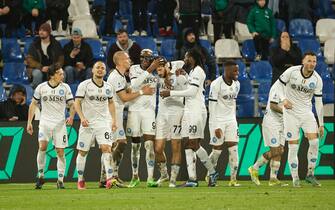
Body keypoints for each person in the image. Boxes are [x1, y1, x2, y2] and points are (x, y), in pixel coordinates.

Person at [160, 48, 219, 187]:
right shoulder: (192, 72)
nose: (185, 59)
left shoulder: (199, 71)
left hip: (196, 111)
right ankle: (192, 179)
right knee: (187, 144)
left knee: (193, 143)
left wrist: (171, 93)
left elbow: (192, 92)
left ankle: (212, 172)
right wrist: (184, 75)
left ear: (193, 57)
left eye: (187, 56)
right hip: (188, 110)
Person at [98, 51, 155, 188]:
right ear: (120, 61)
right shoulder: (116, 77)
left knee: (119, 144)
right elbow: (123, 98)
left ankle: (109, 175)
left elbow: (125, 91)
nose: (130, 60)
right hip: (111, 115)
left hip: (116, 113)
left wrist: (134, 88)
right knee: (112, 145)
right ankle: (109, 176)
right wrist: (142, 92)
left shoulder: (121, 76)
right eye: (127, 58)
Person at [278, 52, 324, 187]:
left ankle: (310, 174)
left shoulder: (317, 79)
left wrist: (321, 123)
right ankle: (295, 179)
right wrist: (283, 100)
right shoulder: (292, 72)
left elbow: (319, 102)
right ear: (303, 61)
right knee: (293, 147)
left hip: (306, 113)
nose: (312, 64)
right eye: (309, 61)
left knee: (315, 142)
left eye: (314, 61)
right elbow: (278, 86)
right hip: (290, 113)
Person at [26, 65, 75, 189]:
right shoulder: (41, 87)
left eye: (63, 74)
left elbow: (72, 104)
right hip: (45, 122)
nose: (62, 76)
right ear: (52, 75)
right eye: (60, 73)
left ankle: (60, 179)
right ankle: (41, 176)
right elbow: (33, 104)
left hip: (60, 124)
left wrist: (71, 116)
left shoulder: (65, 87)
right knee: (42, 146)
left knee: (60, 152)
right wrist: (29, 122)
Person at [74, 61, 117, 190]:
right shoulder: (85, 85)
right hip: (87, 123)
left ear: (105, 71)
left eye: (102, 68)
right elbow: (77, 103)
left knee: (106, 148)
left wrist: (113, 120)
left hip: (103, 123)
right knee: (83, 152)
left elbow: (111, 103)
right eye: (97, 67)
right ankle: (80, 180)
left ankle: (110, 179)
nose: (100, 70)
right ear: (92, 70)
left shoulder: (108, 87)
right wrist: (82, 118)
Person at [126, 49, 161, 188]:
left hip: (149, 112)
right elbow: (134, 85)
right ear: (140, 59)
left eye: (149, 58)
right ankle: (135, 176)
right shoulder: (134, 69)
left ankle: (150, 178)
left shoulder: (157, 72)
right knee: (135, 146)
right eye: (144, 58)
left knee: (149, 145)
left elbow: (168, 79)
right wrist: (150, 69)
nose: (146, 60)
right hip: (134, 110)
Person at [155, 59, 188, 187]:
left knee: (176, 146)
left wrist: (171, 71)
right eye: (157, 70)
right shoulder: (158, 79)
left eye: (160, 69)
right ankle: (164, 175)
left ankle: (173, 180)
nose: (158, 72)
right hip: (162, 114)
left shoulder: (180, 77)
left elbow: (188, 93)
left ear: (167, 67)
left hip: (176, 113)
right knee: (157, 148)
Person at [207, 60, 241, 187]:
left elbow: (232, 104)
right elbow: (212, 106)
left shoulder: (237, 84)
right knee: (217, 151)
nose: (238, 73)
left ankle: (233, 179)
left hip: (231, 120)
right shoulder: (216, 84)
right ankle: (210, 174)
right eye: (235, 71)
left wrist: (233, 120)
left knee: (234, 149)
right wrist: (215, 126)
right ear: (227, 71)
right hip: (218, 120)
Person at [248, 80, 288, 186]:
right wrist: (287, 113)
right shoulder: (277, 88)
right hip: (272, 122)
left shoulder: (291, 90)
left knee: (280, 150)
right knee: (275, 151)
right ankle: (254, 168)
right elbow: (273, 106)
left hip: (282, 122)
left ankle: (273, 179)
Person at [26, 23, 64, 89]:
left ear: (49, 32)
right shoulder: (34, 44)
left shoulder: (56, 44)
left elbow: (61, 59)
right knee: (37, 74)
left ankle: (59, 91)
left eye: (44, 30)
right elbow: (29, 59)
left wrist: (52, 68)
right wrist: (41, 67)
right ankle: (36, 93)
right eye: (40, 30)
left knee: (62, 73)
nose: (41, 32)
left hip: (53, 68)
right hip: (38, 68)